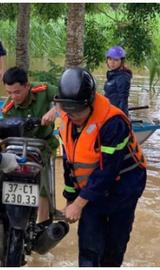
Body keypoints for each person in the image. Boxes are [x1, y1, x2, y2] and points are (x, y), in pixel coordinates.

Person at [54, 68, 147, 266]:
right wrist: (71, 200)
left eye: (78, 111)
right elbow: (70, 164)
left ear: (90, 102)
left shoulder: (113, 122)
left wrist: (79, 203)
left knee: (113, 249)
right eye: (68, 110)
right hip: (90, 192)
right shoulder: (67, 120)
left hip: (122, 190)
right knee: (89, 247)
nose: (73, 116)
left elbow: (108, 170)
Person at [2, 67, 58, 227]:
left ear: (27, 86)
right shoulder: (7, 109)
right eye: (9, 92)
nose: (13, 97)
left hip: (43, 145)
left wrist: (55, 109)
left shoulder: (43, 90)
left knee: (44, 187)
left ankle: (42, 223)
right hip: (18, 148)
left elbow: (66, 96)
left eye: (17, 92)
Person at [104, 46, 132, 115]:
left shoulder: (123, 77)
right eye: (110, 59)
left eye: (116, 60)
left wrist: (119, 117)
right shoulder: (112, 75)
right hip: (109, 111)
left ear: (121, 61)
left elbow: (123, 100)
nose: (112, 62)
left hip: (116, 114)